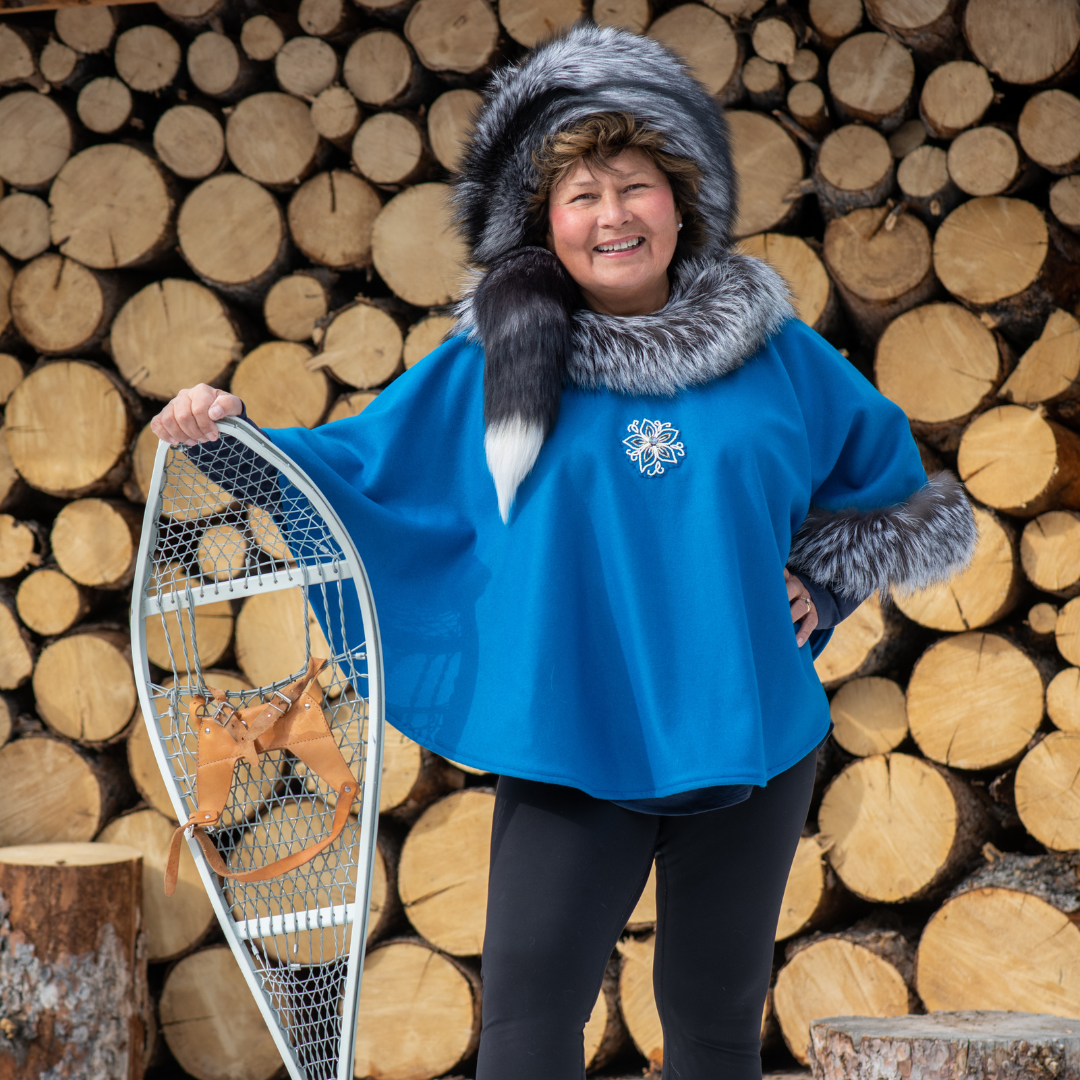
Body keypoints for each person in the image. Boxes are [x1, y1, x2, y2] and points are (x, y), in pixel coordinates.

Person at [151, 24, 976, 1080]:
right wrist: (225, 431)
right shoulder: (499, 362)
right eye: (581, 195)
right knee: (528, 1031)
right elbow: (354, 470)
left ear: (680, 204)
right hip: (572, 729)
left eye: (633, 186)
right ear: (548, 222)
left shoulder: (777, 353)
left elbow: (883, 476)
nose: (611, 215)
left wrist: (823, 577)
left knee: (716, 1024)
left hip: (751, 729)